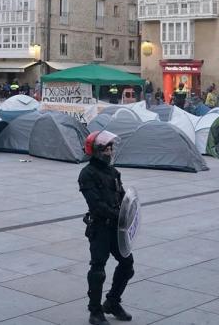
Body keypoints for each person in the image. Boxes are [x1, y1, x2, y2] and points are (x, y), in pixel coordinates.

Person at [79, 131, 133, 325]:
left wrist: (129, 212)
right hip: (100, 228)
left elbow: (123, 197)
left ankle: (112, 302)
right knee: (98, 270)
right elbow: (96, 205)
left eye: (111, 147)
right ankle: (95, 312)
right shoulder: (87, 174)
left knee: (127, 266)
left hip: (117, 229)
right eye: (106, 148)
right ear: (96, 151)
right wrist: (117, 215)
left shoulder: (113, 172)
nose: (110, 151)